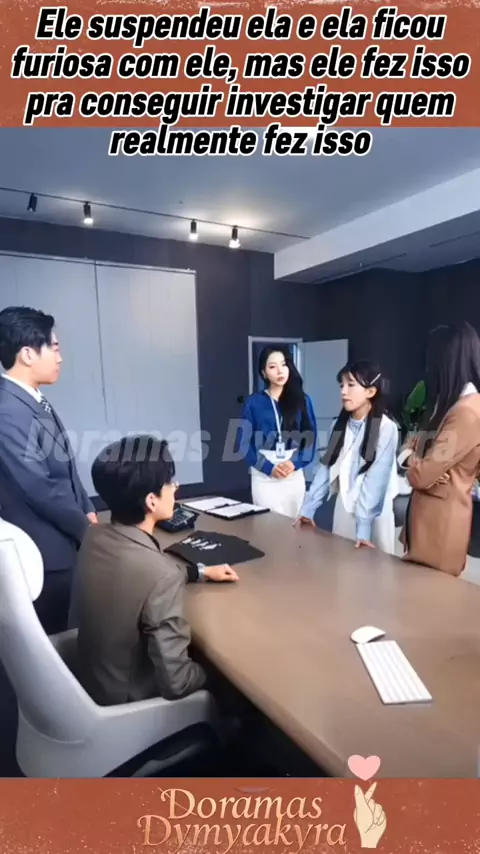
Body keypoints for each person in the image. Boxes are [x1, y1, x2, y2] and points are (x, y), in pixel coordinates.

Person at [74, 435, 239, 706]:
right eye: (170, 482)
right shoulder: (159, 574)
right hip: (125, 700)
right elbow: (177, 682)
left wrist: (198, 572)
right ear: (151, 501)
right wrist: (218, 673)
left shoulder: (94, 536)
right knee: (229, 679)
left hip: (93, 680)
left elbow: (142, 574)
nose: (176, 487)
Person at [0, 306, 97, 635]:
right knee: (54, 641)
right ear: (28, 354)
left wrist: (87, 505)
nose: (60, 357)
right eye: (54, 348)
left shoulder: (33, 398)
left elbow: (64, 464)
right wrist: (86, 530)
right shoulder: (8, 410)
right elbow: (38, 488)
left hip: (64, 537)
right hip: (45, 552)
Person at [400, 321, 480, 576]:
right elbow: (412, 450)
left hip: (439, 529)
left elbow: (421, 475)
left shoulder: (466, 412)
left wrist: (414, 459)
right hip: (427, 521)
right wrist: (414, 458)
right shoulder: (449, 404)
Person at [296, 360, 399, 554]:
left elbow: (375, 481)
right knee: (342, 564)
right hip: (344, 505)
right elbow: (326, 468)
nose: (344, 391)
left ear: (371, 391)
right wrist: (308, 510)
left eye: (351, 385)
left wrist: (363, 529)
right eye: (341, 385)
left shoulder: (386, 428)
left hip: (374, 511)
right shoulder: (339, 425)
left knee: (376, 566)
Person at [239, 347, 317, 517]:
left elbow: (310, 439)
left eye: (283, 364)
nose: (280, 371)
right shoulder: (254, 403)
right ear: (264, 373)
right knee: (269, 524)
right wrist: (269, 468)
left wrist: (295, 463)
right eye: (272, 367)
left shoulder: (302, 400)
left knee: (296, 524)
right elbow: (244, 444)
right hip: (265, 476)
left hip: (293, 474)